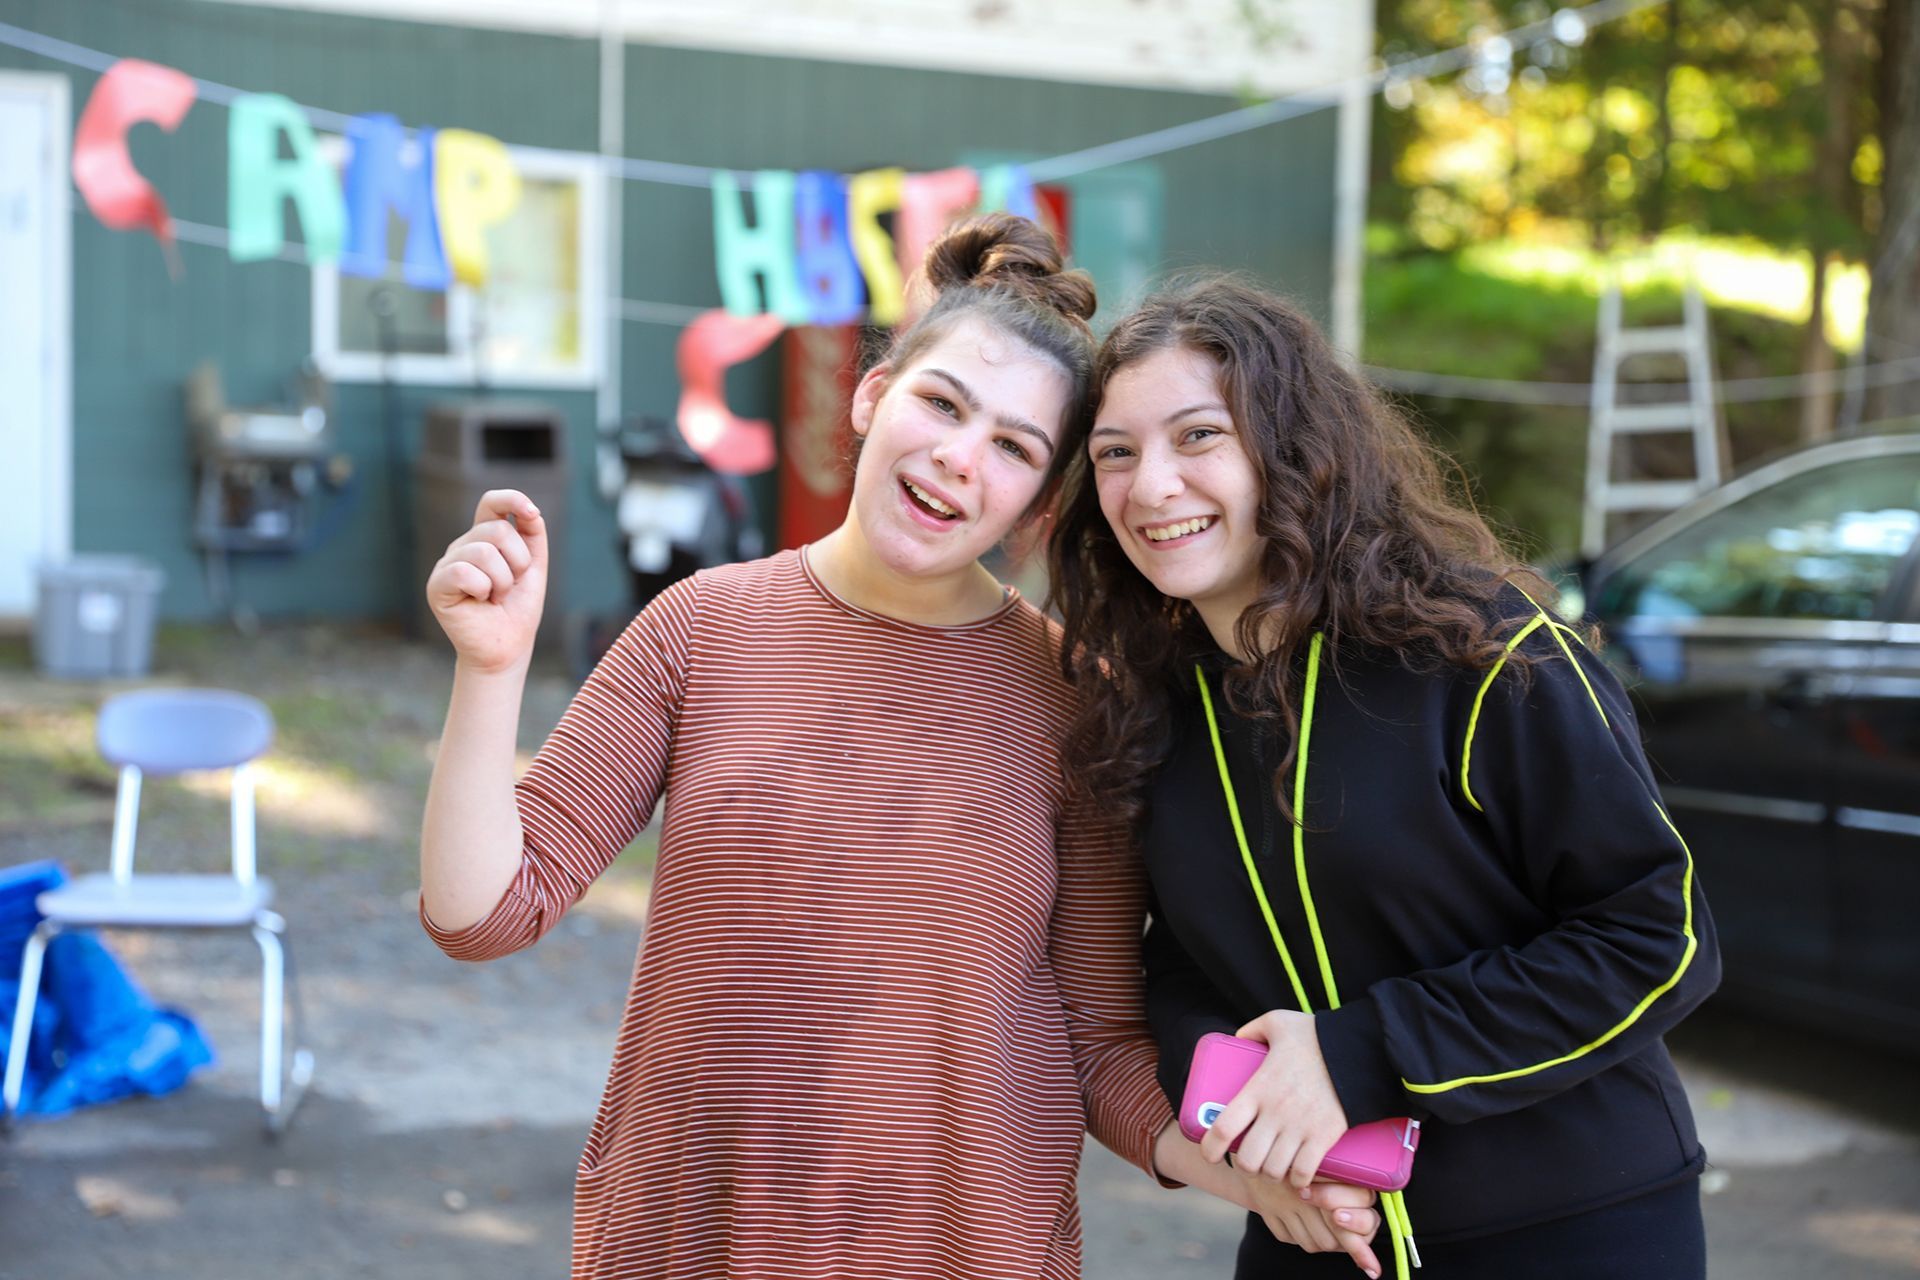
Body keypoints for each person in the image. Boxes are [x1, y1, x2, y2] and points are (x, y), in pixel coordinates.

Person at [418, 219, 1381, 1280]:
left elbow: (1101, 1046)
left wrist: (1254, 1173)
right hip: (691, 1233)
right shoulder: (699, 626)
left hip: (962, 1247)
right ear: (874, 396)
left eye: (1014, 447)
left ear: (1041, 500)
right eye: (943, 403)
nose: (958, 459)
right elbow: (486, 910)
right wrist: (491, 669)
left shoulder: (1077, 700)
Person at [1049, 276, 1722, 1280]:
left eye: (1198, 436)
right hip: (1313, 1231)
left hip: (1571, 1228)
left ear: (1293, 445)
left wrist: (1358, 1051)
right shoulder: (1154, 702)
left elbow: (1656, 935)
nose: (1151, 486)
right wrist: (1248, 1120)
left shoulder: (1485, 655)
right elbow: (1187, 964)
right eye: (1116, 452)